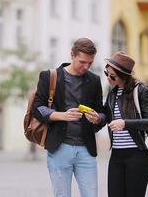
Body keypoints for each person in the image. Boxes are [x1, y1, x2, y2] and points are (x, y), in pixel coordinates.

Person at [33, 37, 105, 197]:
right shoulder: (49, 76)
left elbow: (102, 112)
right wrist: (61, 116)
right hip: (59, 148)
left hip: (86, 150)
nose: (86, 67)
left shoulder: (94, 81)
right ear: (72, 54)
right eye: (82, 62)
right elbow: (37, 108)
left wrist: (97, 118)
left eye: (90, 63)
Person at [103, 51, 148, 197]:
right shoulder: (112, 93)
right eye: (106, 73)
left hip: (137, 156)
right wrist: (97, 118)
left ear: (124, 75)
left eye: (112, 76)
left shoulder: (140, 90)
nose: (108, 78)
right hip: (116, 155)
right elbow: (106, 117)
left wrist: (125, 124)